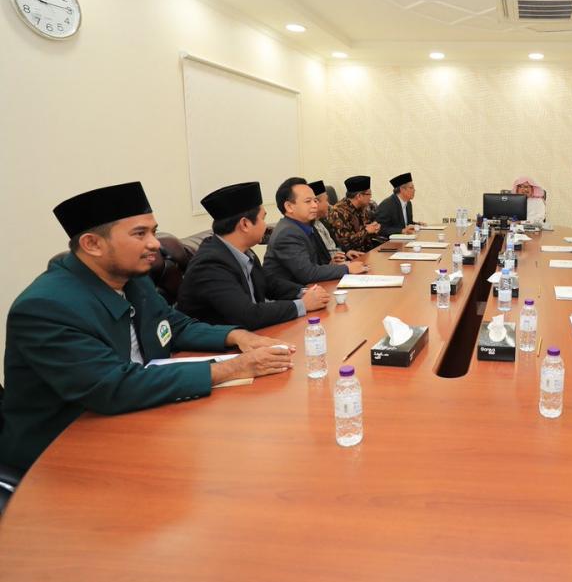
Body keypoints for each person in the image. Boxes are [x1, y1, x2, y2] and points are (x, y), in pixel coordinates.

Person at [0, 182, 293, 472]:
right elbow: (113, 386)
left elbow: (173, 325)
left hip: (139, 417)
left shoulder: (133, 278)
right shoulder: (44, 307)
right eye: (140, 234)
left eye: (153, 231)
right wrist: (232, 368)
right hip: (59, 455)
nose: (155, 244)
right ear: (92, 244)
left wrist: (236, 336)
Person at [177, 182, 331, 330]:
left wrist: (303, 292)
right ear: (245, 224)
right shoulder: (210, 264)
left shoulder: (244, 251)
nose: (266, 225)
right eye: (262, 218)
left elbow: (268, 284)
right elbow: (247, 315)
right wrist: (303, 305)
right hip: (222, 345)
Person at [263, 177, 367, 286]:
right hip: (292, 293)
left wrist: (331, 265)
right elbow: (308, 273)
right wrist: (346, 268)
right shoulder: (288, 233)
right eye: (308, 201)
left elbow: (314, 266)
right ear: (289, 207)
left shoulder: (304, 226)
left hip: (311, 287)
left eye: (315, 200)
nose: (314, 205)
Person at [327, 175, 384, 252]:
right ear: (359, 196)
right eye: (369, 194)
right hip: (352, 256)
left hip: (369, 251)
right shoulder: (338, 212)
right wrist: (366, 231)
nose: (371, 197)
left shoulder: (365, 207)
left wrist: (375, 228)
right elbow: (345, 243)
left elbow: (369, 231)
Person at [310, 179, 362, 263]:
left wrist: (347, 252)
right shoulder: (308, 229)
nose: (329, 205)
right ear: (316, 202)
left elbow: (335, 246)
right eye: (326, 200)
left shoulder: (323, 221)